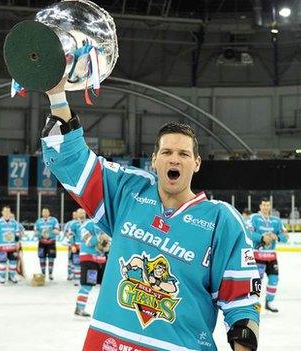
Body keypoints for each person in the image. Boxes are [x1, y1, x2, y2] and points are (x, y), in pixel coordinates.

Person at [40, 79, 260, 351]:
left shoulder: (221, 221)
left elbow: (241, 307)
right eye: (166, 152)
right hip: (109, 344)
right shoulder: (127, 192)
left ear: (197, 163)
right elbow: (72, 160)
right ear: (154, 159)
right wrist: (57, 94)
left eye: (183, 153)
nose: (174, 159)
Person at [249, 198, 287, 313]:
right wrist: (262, 238)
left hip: (271, 256)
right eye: (264, 205)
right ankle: (253, 304)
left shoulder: (276, 220)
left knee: (274, 279)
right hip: (257, 256)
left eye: (268, 205)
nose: (266, 207)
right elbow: (249, 232)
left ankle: (269, 302)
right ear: (260, 206)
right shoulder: (254, 218)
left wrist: (278, 237)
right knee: (256, 281)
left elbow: (285, 237)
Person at [74, 218, 109, 317]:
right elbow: (88, 241)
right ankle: (80, 308)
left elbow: (107, 246)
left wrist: (105, 245)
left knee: (106, 286)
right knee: (87, 284)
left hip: (102, 260)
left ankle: (105, 312)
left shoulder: (107, 225)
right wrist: (101, 238)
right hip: (89, 260)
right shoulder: (88, 224)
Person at [0, 206, 24, 284]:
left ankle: (12, 276)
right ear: (2, 212)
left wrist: (17, 243)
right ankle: (2, 277)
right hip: (2, 247)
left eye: (8, 211)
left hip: (12, 247)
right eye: (5, 211)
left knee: (13, 262)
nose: (7, 213)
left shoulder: (14, 223)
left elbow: (17, 234)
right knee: (2, 262)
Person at [33, 208, 60, 280]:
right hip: (42, 243)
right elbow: (35, 232)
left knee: (51, 258)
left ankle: (50, 274)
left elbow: (58, 231)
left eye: (46, 212)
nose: (45, 213)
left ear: (49, 212)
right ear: (42, 213)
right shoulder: (38, 221)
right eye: (43, 212)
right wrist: (40, 234)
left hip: (51, 242)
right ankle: (43, 273)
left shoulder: (54, 220)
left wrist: (51, 232)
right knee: (42, 258)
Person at [62, 210, 79, 281]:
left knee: (77, 260)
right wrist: (69, 237)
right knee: (70, 259)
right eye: (74, 214)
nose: (75, 216)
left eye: (76, 214)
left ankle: (77, 274)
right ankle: (70, 274)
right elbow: (65, 233)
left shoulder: (82, 223)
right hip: (71, 245)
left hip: (79, 245)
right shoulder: (69, 223)